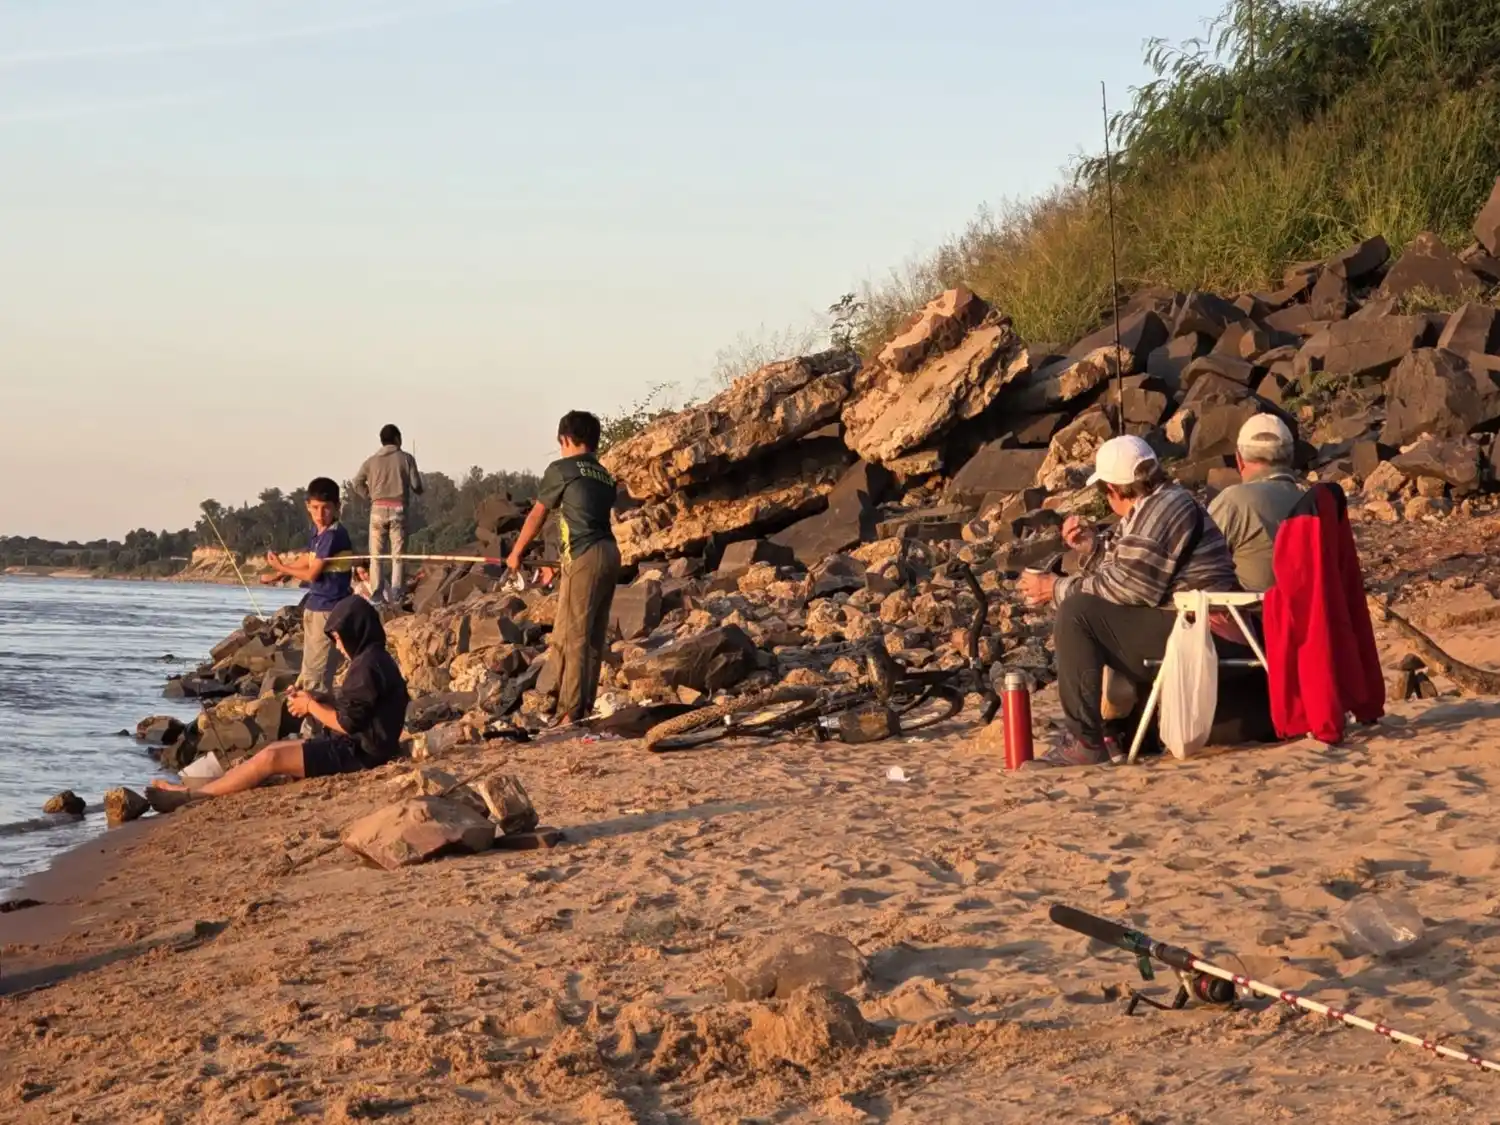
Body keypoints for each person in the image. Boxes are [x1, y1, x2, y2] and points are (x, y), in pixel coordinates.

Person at [1017, 435, 1240, 767]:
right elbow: (1124, 574)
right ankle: (1114, 731)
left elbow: (1131, 587)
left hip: (1208, 629)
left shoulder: (1164, 507)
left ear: (1113, 489)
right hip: (1195, 623)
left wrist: (1056, 587)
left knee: (1078, 613)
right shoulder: (1157, 505)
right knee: (1091, 609)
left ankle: (1085, 740)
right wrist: (1092, 549)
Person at [151, 598, 409, 798]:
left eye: (340, 639)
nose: (338, 646)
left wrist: (310, 705)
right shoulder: (372, 659)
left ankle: (194, 796)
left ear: (356, 632)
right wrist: (318, 699)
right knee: (270, 751)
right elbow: (361, 711)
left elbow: (347, 723)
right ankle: (197, 789)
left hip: (361, 755)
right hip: (361, 746)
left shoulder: (367, 665)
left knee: (271, 758)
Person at [506, 411, 620, 725]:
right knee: (594, 635)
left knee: (575, 636)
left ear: (566, 439)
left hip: (584, 557)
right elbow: (581, 515)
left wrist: (516, 552)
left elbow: (538, 515)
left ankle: (571, 712)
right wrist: (559, 563)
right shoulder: (604, 475)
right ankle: (582, 707)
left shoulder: (562, 469)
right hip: (610, 553)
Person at [262, 477, 354, 702]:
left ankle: (315, 730)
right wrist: (279, 574)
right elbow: (308, 558)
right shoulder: (319, 532)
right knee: (308, 671)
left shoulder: (333, 535)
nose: (320, 514)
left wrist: (281, 566)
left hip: (329, 610)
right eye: (315, 508)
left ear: (336, 508)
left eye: (326, 509)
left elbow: (313, 573)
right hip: (314, 606)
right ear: (308, 507)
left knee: (318, 678)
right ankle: (310, 725)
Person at [1208, 414, 1303, 592]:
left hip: (1253, 615)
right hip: (1310, 613)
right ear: (1290, 457)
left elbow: (1200, 567)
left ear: (1239, 460)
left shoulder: (1234, 501)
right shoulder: (1311, 499)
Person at [351, 424, 424, 603]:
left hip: (377, 510)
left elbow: (356, 482)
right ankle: (397, 589)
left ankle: (377, 591)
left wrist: (370, 496)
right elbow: (417, 486)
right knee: (397, 554)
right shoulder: (406, 458)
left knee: (376, 555)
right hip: (398, 509)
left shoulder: (370, 461)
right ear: (398, 439)